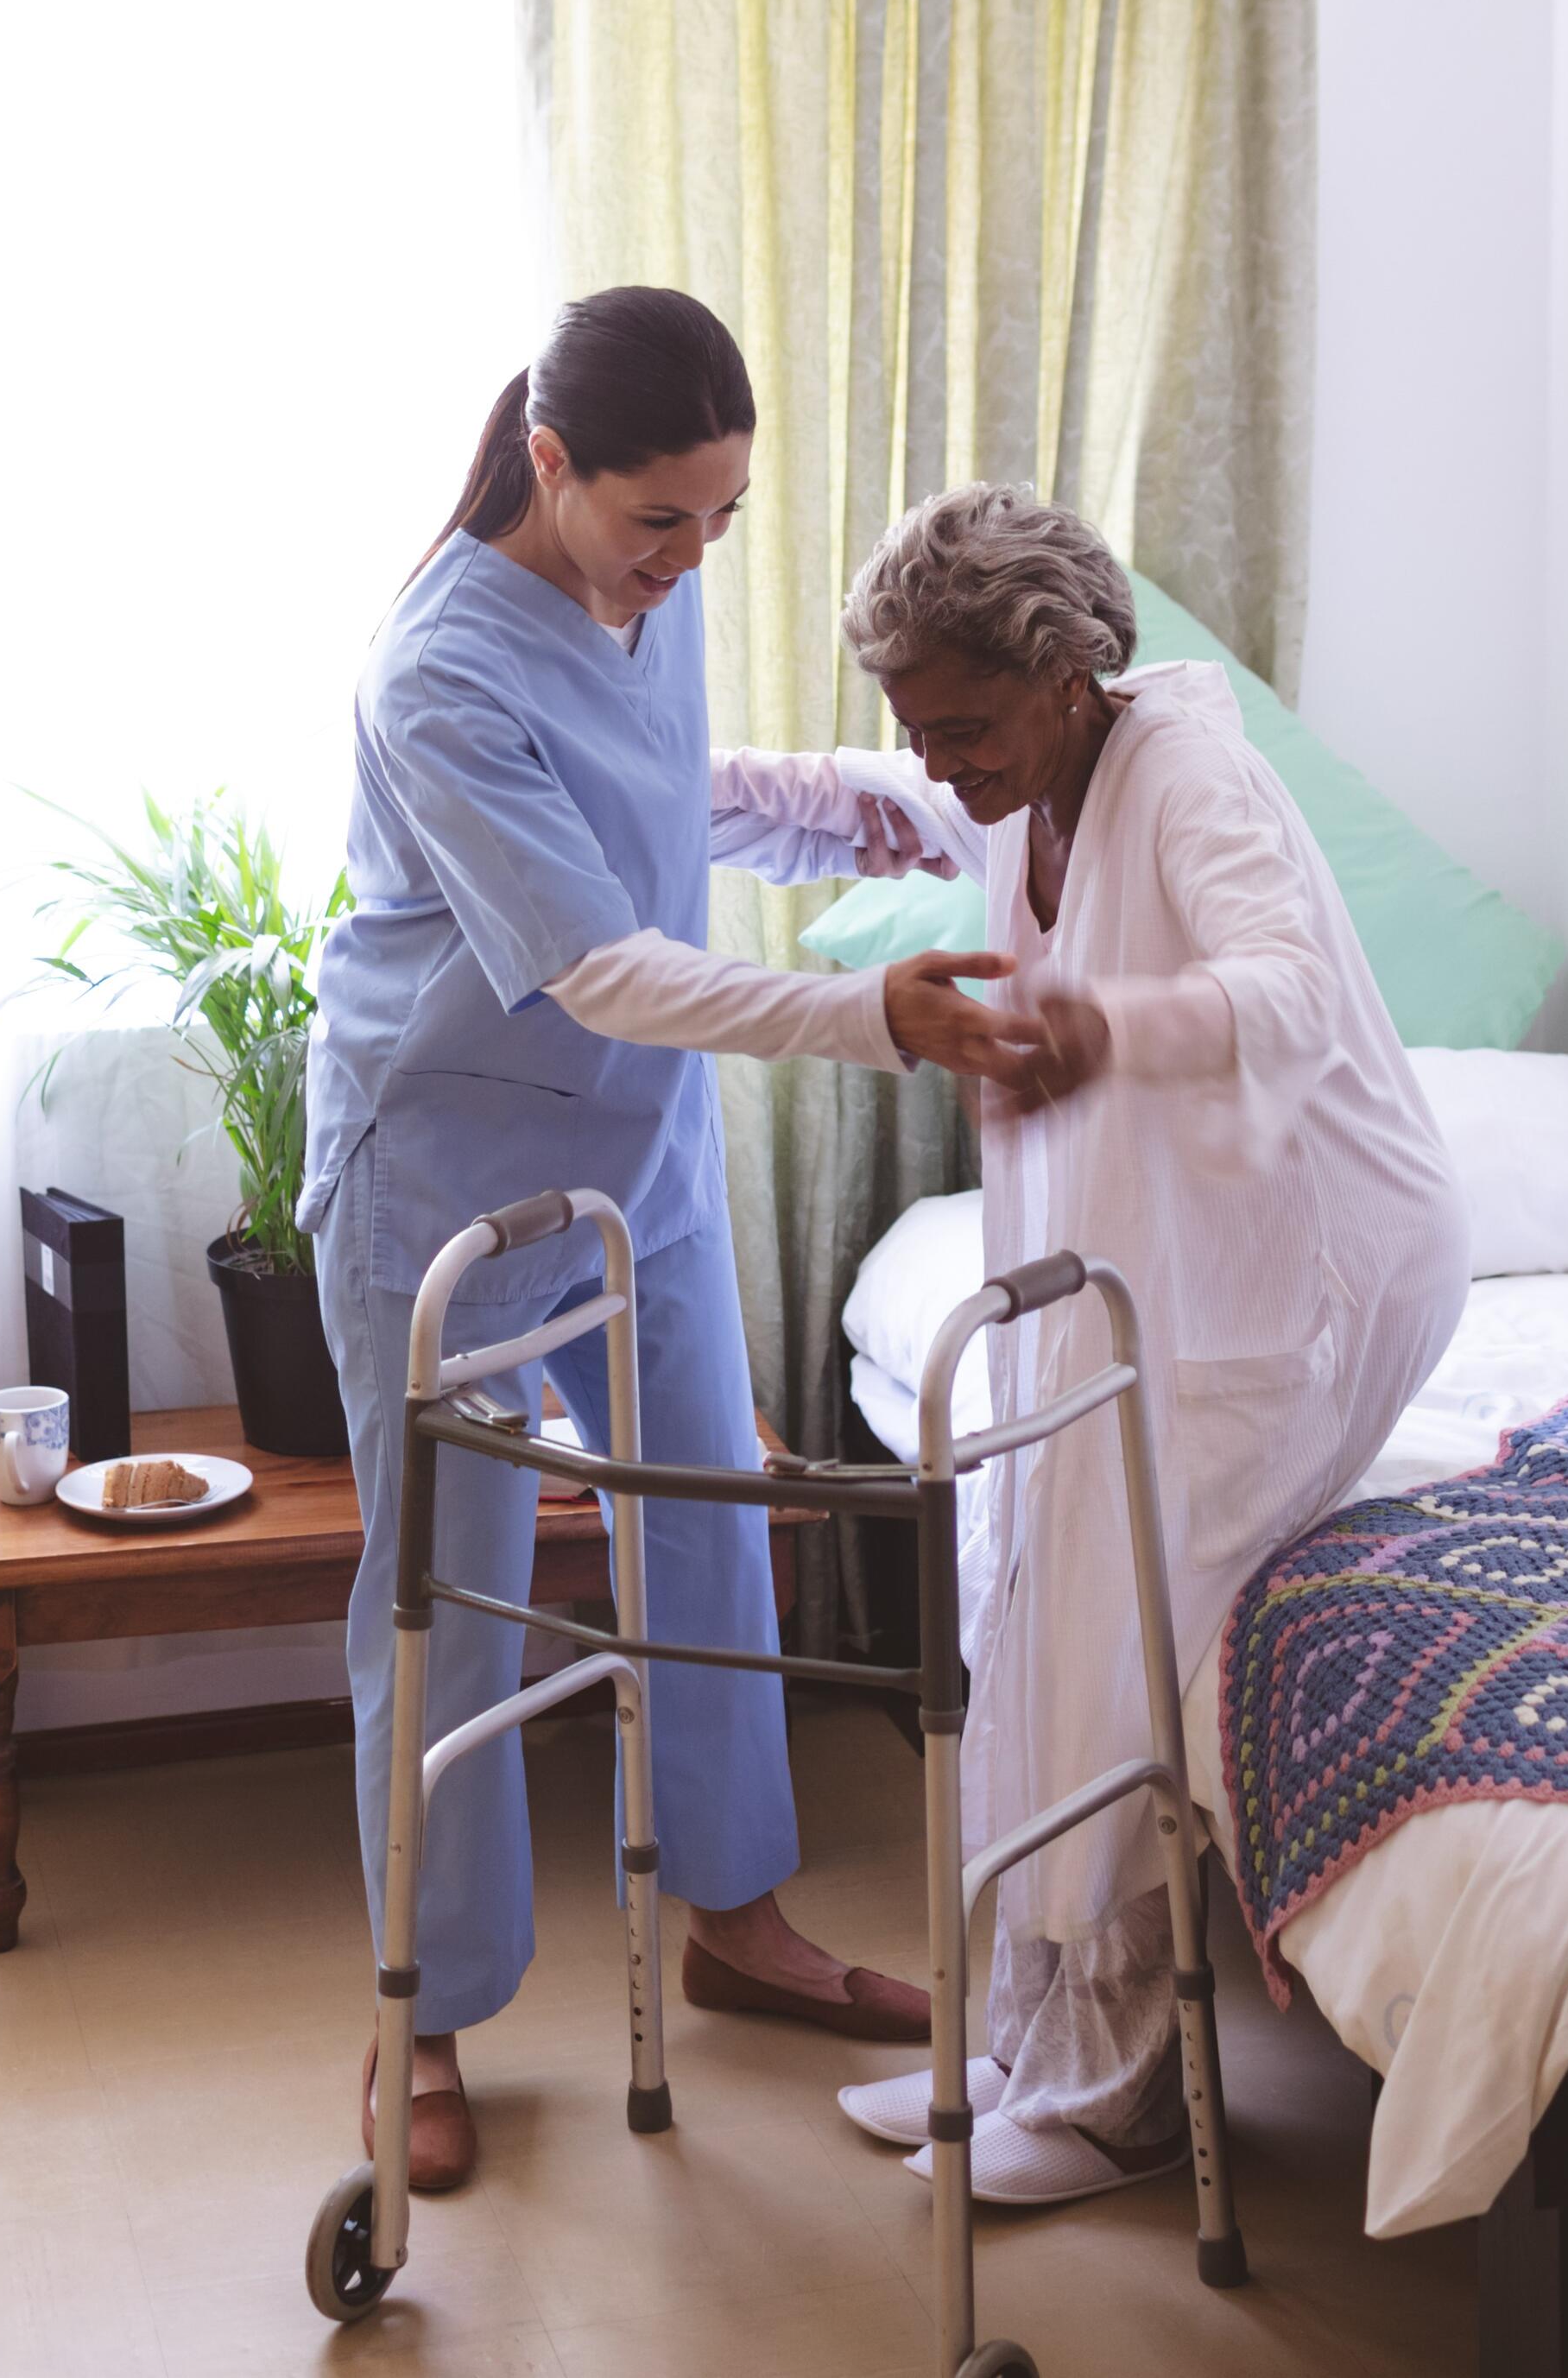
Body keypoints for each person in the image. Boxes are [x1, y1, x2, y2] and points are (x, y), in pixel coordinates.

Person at [301, 290, 1040, 2193]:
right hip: (448, 1174)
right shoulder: (437, 672)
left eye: (724, 515)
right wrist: (875, 1017)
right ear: (551, 467)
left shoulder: (653, 578)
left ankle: (738, 1919)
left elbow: (647, 799)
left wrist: (825, 805)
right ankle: (421, 2016)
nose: (695, 553)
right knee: (447, 1606)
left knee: (712, 1524)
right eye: (661, 520)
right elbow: (598, 959)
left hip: (645, 1162)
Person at [710, 484, 1471, 2204]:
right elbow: (851, 799)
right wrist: (643, 779)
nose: (941, 761)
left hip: (1317, 1269)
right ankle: (1024, 2053)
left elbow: (1277, 986)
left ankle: (1123, 2100)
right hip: (1167, 1254)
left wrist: (1093, 1020)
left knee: (1119, 1634)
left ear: (1068, 676)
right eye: (920, 727)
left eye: (964, 727)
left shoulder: (1187, 774)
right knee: (1026, 1593)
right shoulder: (1010, 775)